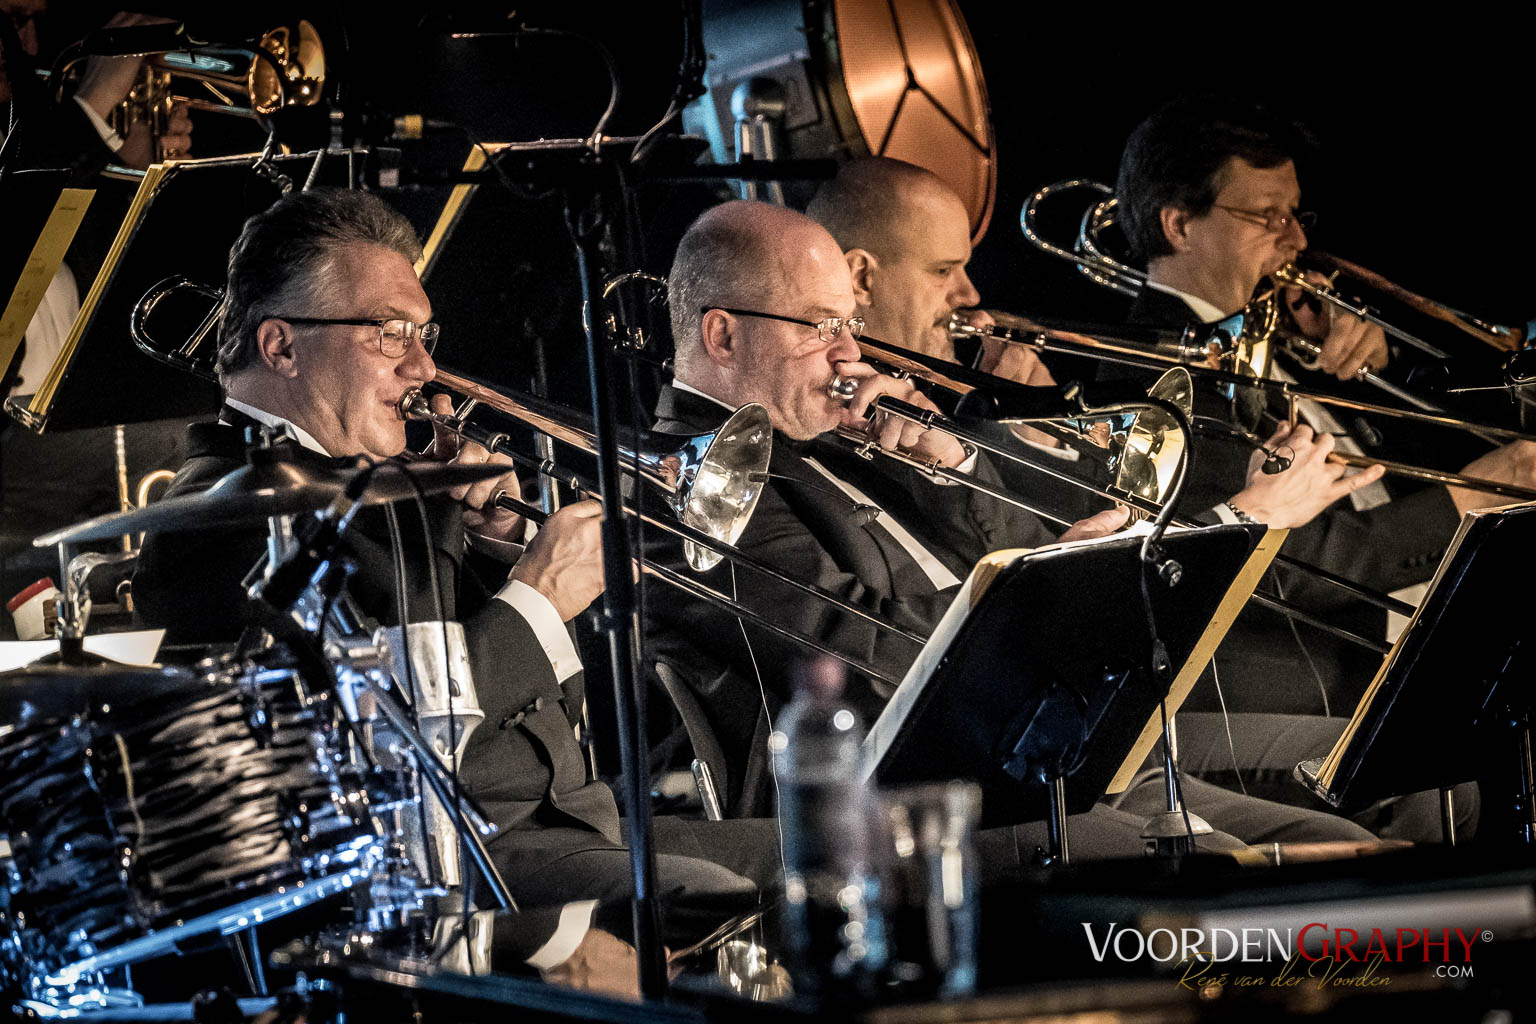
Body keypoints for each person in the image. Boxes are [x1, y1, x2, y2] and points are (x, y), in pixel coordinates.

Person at [131, 188, 775, 997]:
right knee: (729, 897)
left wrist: (496, 551)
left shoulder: (376, 483)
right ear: (282, 346)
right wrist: (535, 599)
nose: (424, 368)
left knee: (828, 849)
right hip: (460, 865)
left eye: (422, 334)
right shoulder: (220, 516)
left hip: (572, 822)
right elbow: (370, 757)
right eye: (388, 333)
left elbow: (525, 698)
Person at [644, 197, 1379, 857]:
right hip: (927, 801)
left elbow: (1009, 537)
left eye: (849, 326)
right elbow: (862, 655)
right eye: (818, 326)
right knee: (1237, 870)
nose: (849, 353)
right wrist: (1046, 579)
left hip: (1045, 747)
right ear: (723, 336)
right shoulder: (687, 487)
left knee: (1352, 837)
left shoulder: (832, 426)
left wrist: (950, 460)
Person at [1112, 94, 1536, 726]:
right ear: (1179, 226)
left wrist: (1380, 367)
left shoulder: (1290, 335)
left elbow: (1405, 462)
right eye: (1268, 216)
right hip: (1331, 677)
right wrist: (1467, 500)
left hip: (1432, 623)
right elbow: (1277, 564)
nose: (1299, 239)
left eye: (1295, 213)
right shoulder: (1150, 373)